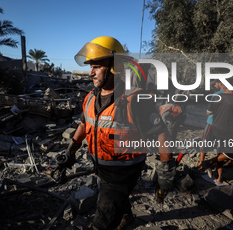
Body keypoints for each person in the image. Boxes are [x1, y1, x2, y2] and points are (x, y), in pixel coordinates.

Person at [66, 36, 174, 230]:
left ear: (114, 66)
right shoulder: (91, 97)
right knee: (117, 199)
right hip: (101, 165)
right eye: (91, 66)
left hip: (123, 171)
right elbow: (84, 124)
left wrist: (165, 173)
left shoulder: (135, 100)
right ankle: (127, 216)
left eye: (97, 66)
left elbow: (161, 134)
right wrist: (71, 149)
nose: (91, 72)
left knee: (103, 221)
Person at [202, 78, 233, 185]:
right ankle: (209, 162)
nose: (220, 85)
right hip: (229, 129)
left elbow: (209, 112)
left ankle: (219, 178)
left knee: (221, 151)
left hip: (216, 128)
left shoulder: (217, 97)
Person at [197, 79, 224, 169]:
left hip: (212, 122)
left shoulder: (216, 94)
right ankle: (219, 165)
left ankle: (201, 162)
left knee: (205, 142)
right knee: (221, 145)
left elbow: (209, 111)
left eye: (215, 84)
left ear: (220, 83)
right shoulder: (232, 95)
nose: (214, 86)